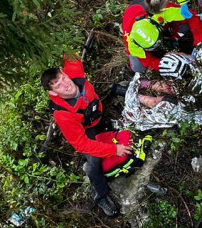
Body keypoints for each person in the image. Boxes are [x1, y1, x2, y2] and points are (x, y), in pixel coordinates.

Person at [42, 56, 149, 219]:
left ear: (65, 73)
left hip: (97, 115)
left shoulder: (74, 72)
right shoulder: (62, 115)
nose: (66, 85)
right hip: (86, 130)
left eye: (63, 78)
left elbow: (70, 52)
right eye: (58, 86)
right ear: (52, 92)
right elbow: (82, 145)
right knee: (94, 162)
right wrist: (114, 149)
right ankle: (100, 196)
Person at [120, 43, 202, 131]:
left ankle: (137, 95)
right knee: (166, 90)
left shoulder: (188, 96)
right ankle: (142, 87)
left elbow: (180, 111)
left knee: (161, 100)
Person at [122, 0, 202, 74]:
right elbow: (148, 62)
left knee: (184, 27)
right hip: (133, 16)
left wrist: (198, 44)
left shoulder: (162, 11)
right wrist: (166, 63)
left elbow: (192, 16)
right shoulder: (132, 45)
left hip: (147, 8)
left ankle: (173, 38)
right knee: (137, 67)